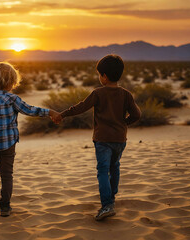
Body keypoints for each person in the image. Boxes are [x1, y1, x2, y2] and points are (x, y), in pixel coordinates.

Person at [52, 54, 141, 221]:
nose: (99, 77)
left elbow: (81, 107)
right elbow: (137, 114)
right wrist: (124, 125)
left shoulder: (98, 93)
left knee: (102, 170)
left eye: (99, 74)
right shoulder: (126, 94)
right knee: (115, 166)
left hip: (102, 140)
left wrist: (62, 115)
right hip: (120, 140)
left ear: (104, 77)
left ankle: (107, 205)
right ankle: (111, 198)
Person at [0, 62, 60, 217]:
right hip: (8, 143)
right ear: (11, 82)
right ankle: (5, 207)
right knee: (6, 174)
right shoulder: (12, 99)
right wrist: (49, 112)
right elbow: (30, 110)